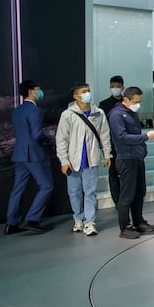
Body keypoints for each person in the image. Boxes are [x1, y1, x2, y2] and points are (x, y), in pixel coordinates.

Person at [56, 83, 112, 236]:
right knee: (74, 193)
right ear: (76, 96)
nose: (87, 93)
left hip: (91, 159)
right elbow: (61, 140)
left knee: (90, 192)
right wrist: (64, 161)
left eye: (88, 91)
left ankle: (90, 222)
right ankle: (78, 219)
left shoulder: (98, 113)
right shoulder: (68, 115)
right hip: (73, 162)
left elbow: (104, 135)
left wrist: (107, 154)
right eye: (84, 91)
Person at [109, 86, 154, 239]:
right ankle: (124, 227)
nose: (138, 104)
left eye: (140, 101)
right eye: (136, 101)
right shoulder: (116, 115)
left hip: (137, 157)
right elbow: (122, 137)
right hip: (126, 159)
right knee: (127, 195)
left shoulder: (131, 113)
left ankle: (138, 221)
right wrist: (146, 137)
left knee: (139, 193)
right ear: (126, 99)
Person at [5, 80, 55, 235]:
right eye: (38, 89)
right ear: (32, 91)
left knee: (18, 188)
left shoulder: (17, 110)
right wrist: (50, 137)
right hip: (33, 153)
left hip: (19, 153)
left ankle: (12, 223)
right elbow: (36, 134)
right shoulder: (35, 111)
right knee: (47, 186)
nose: (40, 92)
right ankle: (32, 219)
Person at [99, 75, 124, 205]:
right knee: (113, 172)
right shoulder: (104, 105)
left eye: (118, 87)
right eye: (113, 87)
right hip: (112, 143)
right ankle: (117, 200)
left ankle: (127, 198)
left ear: (122, 87)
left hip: (126, 143)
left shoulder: (127, 102)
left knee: (126, 173)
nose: (115, 89)